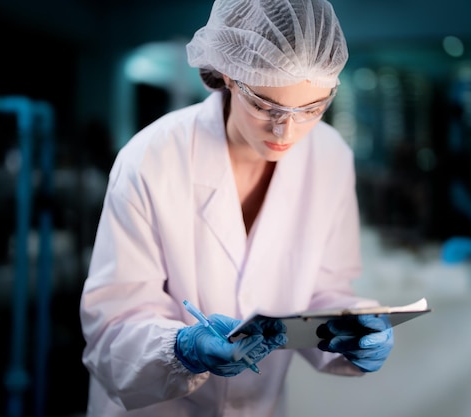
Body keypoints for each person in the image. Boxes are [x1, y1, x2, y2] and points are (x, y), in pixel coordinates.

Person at [79, 0, 394, 416]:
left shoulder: (330, 157)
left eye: (312, 109)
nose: (287, 130)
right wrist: (183, 348)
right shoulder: (152, 158)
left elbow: (324, 287)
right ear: (229, 73)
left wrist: (349, 326)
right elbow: (111, 330)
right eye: (265, 106)